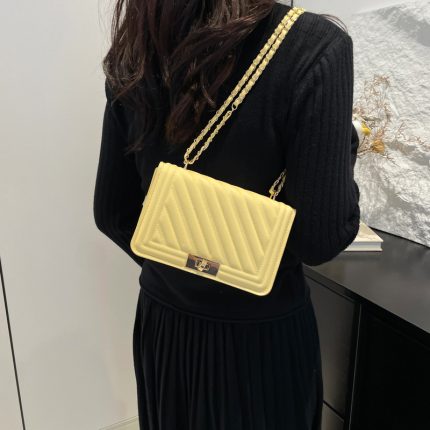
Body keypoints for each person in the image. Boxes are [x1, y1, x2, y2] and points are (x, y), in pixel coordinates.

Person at [93, 0, 361, 428]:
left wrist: (187, 263)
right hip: (261, 343)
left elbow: (112, 212)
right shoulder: (314, 45)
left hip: (165, 329)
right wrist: (345, 144)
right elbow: (321, 238)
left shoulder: (139, 41)